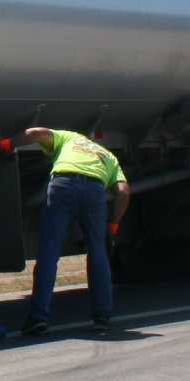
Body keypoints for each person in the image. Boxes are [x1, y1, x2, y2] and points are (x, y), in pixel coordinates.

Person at [19, 126, 131, 336]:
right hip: (94, 190)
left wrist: (6, 144)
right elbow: (123, 192)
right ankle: (102, 318)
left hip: (63, 184)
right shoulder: (108, 156)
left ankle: (38, 318)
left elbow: (35, 132)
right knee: (98, 253)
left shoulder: (69, 138)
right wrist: (114, 223)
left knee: (49, 253)